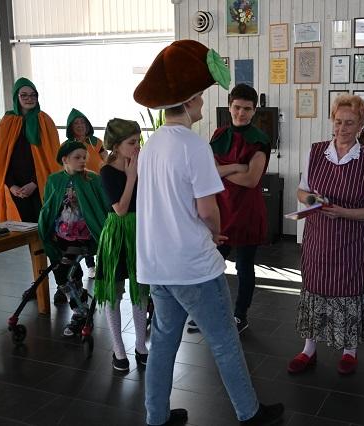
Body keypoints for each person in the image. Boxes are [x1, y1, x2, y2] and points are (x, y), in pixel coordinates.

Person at [133, 39, 283, 426]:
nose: (203, 103)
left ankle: (156, 417)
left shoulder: (151, 146)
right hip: (193, 265)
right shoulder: (194, 146)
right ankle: (250, 414)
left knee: (163, 341)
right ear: (189, 101)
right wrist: (216, 232)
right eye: (200, 97)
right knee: (224, 341)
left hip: (157, 264)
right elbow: (207, 210)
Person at [288, 94, 364, 376]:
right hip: (318, 239)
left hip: (352, 242)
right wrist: (312, 200)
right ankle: (309, 349)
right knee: (314, 289)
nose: (342, 128)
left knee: (348, 292)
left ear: (361, 125)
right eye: (338, 121)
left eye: (349, 123)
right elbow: (302, 191)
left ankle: (349, 351)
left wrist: (342, 212)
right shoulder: (316, 152)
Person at [207, 83, 270, 333]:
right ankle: (209, 312)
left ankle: (240, 315)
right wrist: (236, 167)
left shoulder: (260, 140)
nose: (241, 113)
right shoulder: (219, 135)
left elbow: (252, 179)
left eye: (247, 109)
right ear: (229, 106)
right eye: (237, 107)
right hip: (220, 209)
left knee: (244, 267)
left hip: (246, 212)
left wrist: (221, 171)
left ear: (254, 111)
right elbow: (208, 171)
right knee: (211, 264)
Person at [38, 140, 110, 336]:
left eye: (84, 157)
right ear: (65, 159)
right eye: (77, 157)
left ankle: (80, 313)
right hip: (60, 235)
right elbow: (48, 206)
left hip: (84, 236)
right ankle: (80, 300)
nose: (82, 161)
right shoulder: (54, 180)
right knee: (63, 275)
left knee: (68, 272)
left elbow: (103, 205)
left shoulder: (92, 179)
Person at [94, 118, 148, 372]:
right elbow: (121, 209)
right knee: (113, 292)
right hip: (117, 234)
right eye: (132, 142)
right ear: (116, 146)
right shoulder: (107, 172)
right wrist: (131, 177)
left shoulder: (139, 164)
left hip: (139, 232)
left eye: (138, 141)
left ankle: (141, 345)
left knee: (140, 289)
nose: (137, 147)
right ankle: (118, 349)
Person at [0, 77, 60, 224]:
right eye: (24, 95)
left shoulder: (45, 121)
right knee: (19, 228)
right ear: (16, 97)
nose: (29, 98)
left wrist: (34, 183)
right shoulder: (7, 121)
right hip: (15, 186)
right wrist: (11, 185)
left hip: (41, 183)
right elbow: (1, 159)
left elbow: (52, 157)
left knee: (44, 225)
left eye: (33, 95)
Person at [64, 108, 109, 278]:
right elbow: (63, 168)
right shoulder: (67, 146)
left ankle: (103, 259)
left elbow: (107, 160)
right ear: (70, 127)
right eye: (76, 123)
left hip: (98, 188)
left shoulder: (96, 142)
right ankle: (90, 265)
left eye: (82, 122)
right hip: (78, 191)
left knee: (100, 221)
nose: (80, 125)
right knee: (84, 225)